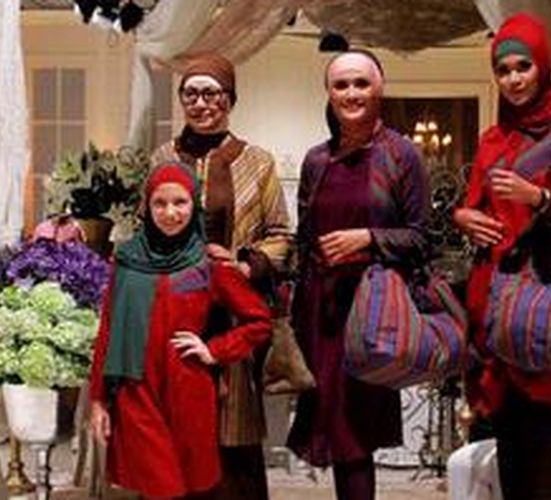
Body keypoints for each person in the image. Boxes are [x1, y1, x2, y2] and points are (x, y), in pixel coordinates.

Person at [453, 13, 551, 500]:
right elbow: (475, 205)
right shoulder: (492, 140)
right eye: (503, 70)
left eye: (523, 66)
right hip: (492, 301)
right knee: (507, 434)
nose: (513, 79)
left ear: (543, 66)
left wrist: (538, 199)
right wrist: (464, 218)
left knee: (535, 436)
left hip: (541, 303)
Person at [286, 49, 430, 500]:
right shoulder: (316, 160)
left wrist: (367, 239)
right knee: (333, 431)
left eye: (361, 83)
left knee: (354, 436)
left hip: (372, 316)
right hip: (322, 313)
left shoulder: (401, 155)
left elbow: (422, 238)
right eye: (341, 84)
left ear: (380, 88)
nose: (351, 93)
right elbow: (304, 240)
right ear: (328, 93)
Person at [151, 53, 292, 499]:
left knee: (233, 434)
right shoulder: (163, 157)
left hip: (233, 313)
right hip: (175, 310)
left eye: (211, 93)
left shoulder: (257, 161)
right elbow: (145, 225)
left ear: (230, 99)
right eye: (190, 94)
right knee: (172, 426)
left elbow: (281, 234)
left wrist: (244, 266)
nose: (201, 103)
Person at [88, 161, 271, 498]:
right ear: (147, 207)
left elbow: (260, 321)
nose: (170, 213)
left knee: (187, 487)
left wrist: (214, 350)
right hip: (136, 393)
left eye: (180, 202)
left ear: (194, 204)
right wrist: (98, 400)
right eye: (160, 203)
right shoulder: (125, 261)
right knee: (160, 486)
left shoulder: (208, 265)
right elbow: (108, 332)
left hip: (188, 392)